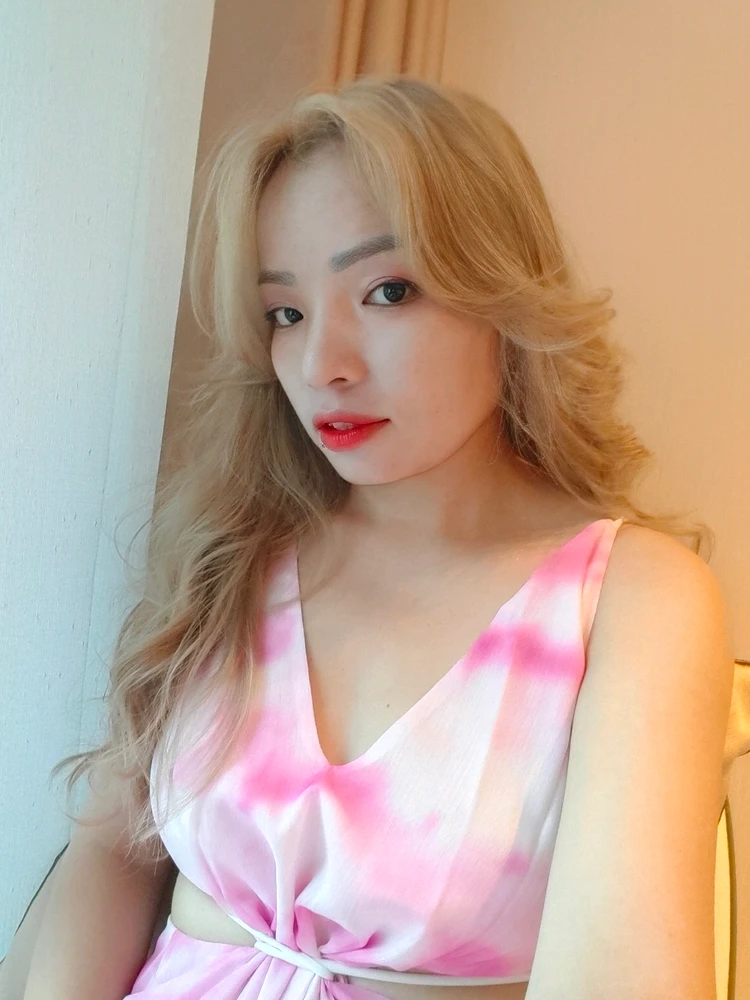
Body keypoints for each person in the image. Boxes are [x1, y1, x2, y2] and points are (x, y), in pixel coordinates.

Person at [9, 74, 734, 1000]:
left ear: (503, 294)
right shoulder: (237, 550)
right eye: (286, 313)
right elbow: (110, 852)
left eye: (388, 291)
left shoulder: (632, 602)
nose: (323, 365)